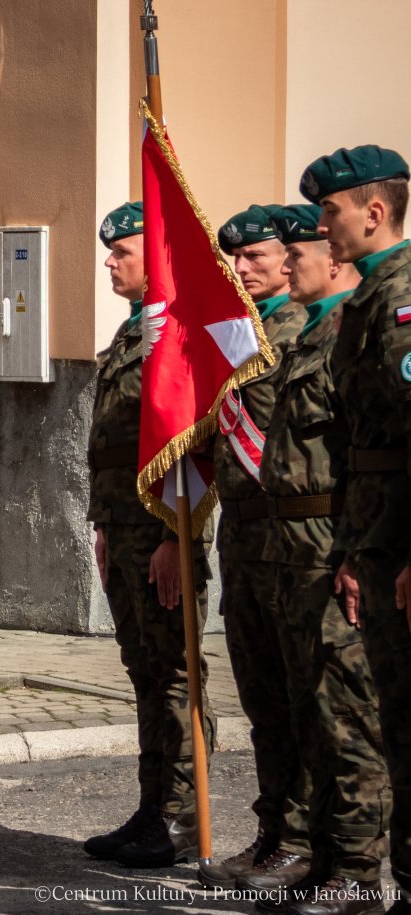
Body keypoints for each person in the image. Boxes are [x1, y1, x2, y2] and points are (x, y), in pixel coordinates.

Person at [239, 203, 389, 915]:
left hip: (331, 543)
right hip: (287, 550)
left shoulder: (347, 333)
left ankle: (359, 871)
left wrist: (360, 549)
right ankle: (324, 858)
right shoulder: (310, 337)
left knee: (346, 714)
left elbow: (369, 458)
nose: (293, 260)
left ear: (335, 260)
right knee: (308, 711)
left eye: (301, 249)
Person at [82, 202, 216, 869]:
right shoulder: (132, 331)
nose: (110, 262)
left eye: (122, 251)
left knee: (173, 673)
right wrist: (103, 525)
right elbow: (111, 447)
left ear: (155, 255)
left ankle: (185, 815)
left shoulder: (177, 334)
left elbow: (195, 447)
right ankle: (150, 805)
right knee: (142, 672)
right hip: (124, 530)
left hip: (163, 533)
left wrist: (178, 536)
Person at [309, 144, 411, 915]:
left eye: (332, 210)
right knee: (393, 718)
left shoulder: (404, 296)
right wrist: (351, 547)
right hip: (374, 535)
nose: (322, 224)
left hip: (401, 541)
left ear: (374, 211)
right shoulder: (370, 298)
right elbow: (360, 446)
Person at [200, 205, 311, 890]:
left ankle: (305, 838)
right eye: (234, 260)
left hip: (295, 540)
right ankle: (272, 830)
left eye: (257, 256)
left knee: (305, 697)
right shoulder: (242, 334)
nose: (242, 269)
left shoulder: (304, 332)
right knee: (263, 698)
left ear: (291, 253)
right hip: (243, 539)